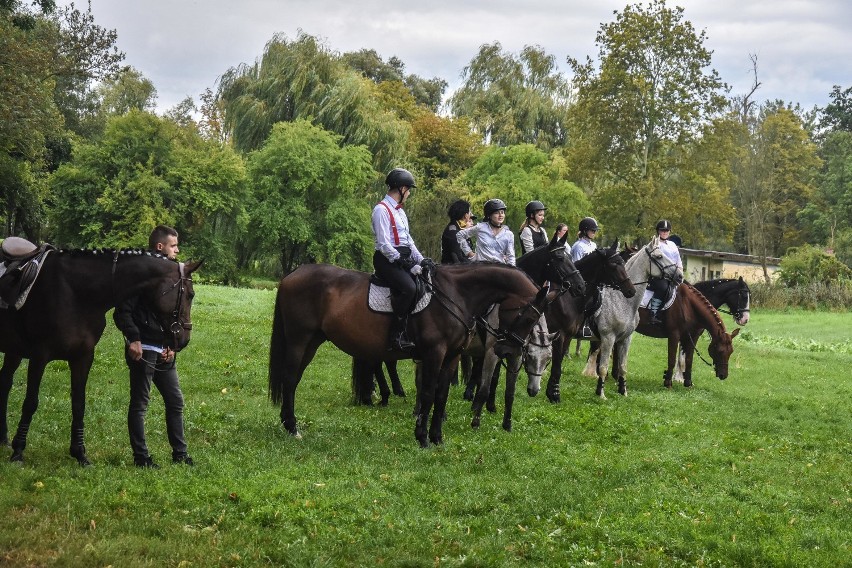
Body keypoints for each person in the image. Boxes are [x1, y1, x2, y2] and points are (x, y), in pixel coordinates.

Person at [113, 225, 193, 468]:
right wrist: (134, 339)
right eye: (173, 245)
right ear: (160, 247)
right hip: (143, 348)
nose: (177, 250)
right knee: (140, 404)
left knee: (175, 401)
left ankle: (179, 454)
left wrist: (171, 345)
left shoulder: (170, 275)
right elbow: (122, 311)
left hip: (163, 349)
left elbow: (170, 315)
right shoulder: (141, 274)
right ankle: (141, 458)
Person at [372, 168, 431, 351]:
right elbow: (384, 244)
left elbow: (409, 241)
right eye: (409, 190)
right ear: (402, 188)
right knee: (409, 288)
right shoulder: (381, 210)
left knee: (425, 283)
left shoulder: (400, 212)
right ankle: (395, 336)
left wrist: (421, 260)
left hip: (402, 257)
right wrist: (404, 264)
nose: (409, 194)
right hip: (386, 259)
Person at [456, 198, 516, 265]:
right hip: (482, 268)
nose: (500, 215)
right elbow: (460, 235)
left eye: (502, 212)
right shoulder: (481, 228)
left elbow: (511, 256)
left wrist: (512, 271)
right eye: (496, 213)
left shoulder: (508, 234)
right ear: (489, 215)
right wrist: (469, 253)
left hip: (499, 269)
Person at [647, 219, 684, 324]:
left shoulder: (672, 245)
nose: (664, 232)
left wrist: (681, 273)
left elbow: (678, 261)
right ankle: (653, 313)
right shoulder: (655, 243)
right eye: (662, 230)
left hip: (674, 275)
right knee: (663, 287)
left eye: (667, 230)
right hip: (659, 275)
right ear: (658, 231)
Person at [441, 199, 475, 264]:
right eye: (469, 212)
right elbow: (458, 258)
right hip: (453, 271)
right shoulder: (453, 231)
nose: (470, 215)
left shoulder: (460, 228)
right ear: (465, 215)